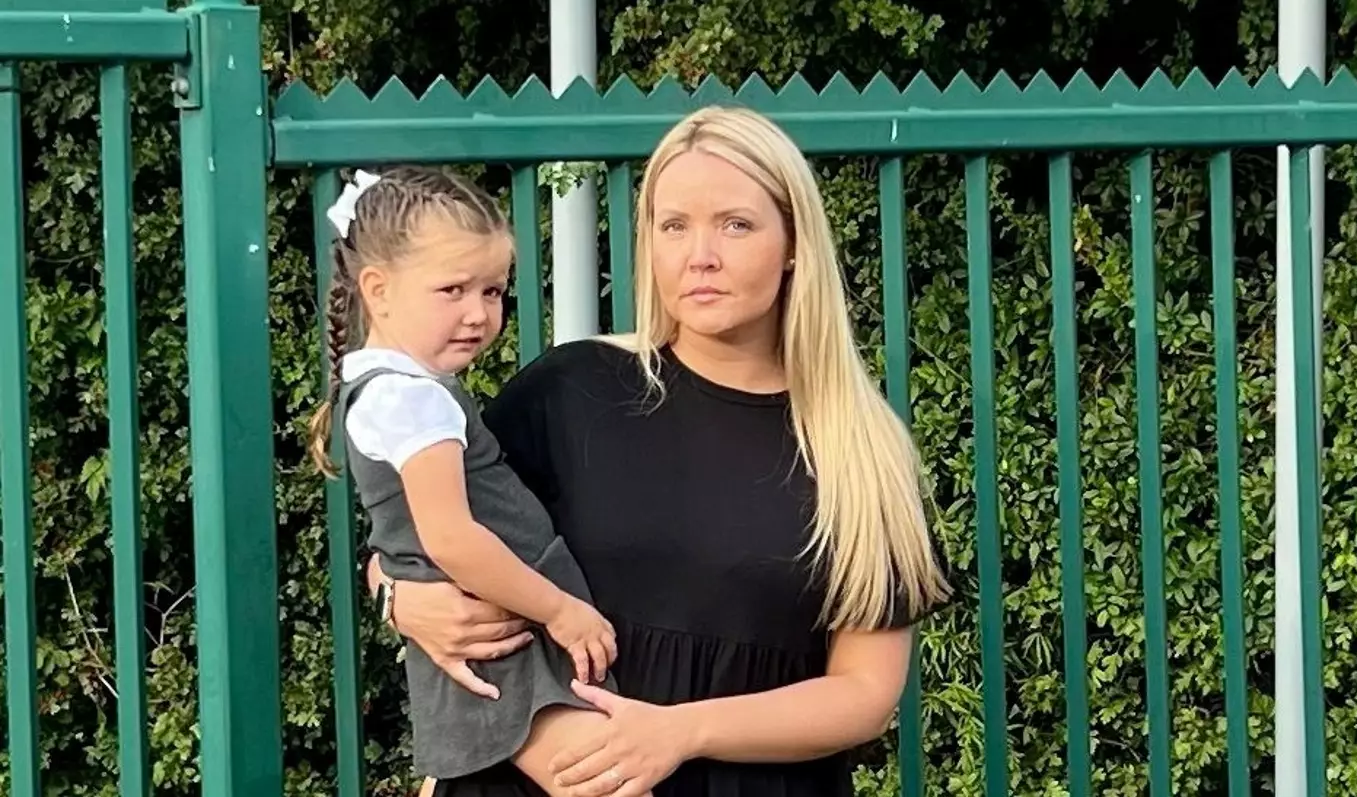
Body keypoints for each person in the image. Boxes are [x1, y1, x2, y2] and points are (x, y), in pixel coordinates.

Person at [370, 106, 953, 796]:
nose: (699, 254)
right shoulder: (569, 392)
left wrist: (680, 731)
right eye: (673, 225)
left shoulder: (863, 452)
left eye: (735, 224)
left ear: (794, 241)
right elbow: (418, 541)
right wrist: (399, 600)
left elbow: (864, 692)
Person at [305, 165, 646, 796]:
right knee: (613, 785)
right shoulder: (413, 400)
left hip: (500, 634)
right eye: (453, 289)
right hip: (508, 642)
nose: (478, 313)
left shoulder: (394, 390)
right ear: (377, 290)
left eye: (491, 291)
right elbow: (452, 541)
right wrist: (562, 611)